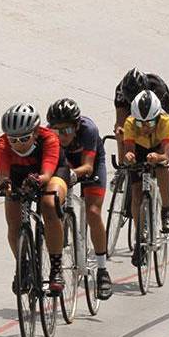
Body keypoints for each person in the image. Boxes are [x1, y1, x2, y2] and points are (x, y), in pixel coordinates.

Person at [0, 103, 71, 294]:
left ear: (36, 132)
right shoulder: (2, 144)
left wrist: (37, 181)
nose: (18, 143)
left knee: (48, 204)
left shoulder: (50, 139)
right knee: (13, 221)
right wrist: (6, 186)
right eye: (13, 139)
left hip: (52, 172)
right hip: (20, 174)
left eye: (25, 138)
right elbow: (3, 176)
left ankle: (56, 269)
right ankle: (23, 265)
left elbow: (45, 174)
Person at [46, 98, 112, 300]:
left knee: (93, 212)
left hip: (89, 163)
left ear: (76, 126)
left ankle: (102, 271)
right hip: (66, 164)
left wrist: (73, 176)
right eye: (56, 131)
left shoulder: (88, 129)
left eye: (66, 131)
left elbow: (88, 166)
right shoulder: (50, 135)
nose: (61, 136)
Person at [121, 90, 169, 262]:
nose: (144, 127)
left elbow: (165, 156)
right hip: (140, 147)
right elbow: (129, 151)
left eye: (149, 122)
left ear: (157, 118)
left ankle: (166, 210)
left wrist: (159, 157)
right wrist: (129, 156)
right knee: (136, 194)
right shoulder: (130, 123)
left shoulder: (165, 121)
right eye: (140, 123)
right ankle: (140, 237)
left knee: (161, 168)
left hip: (160, 145)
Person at [113, 67, 169, 139]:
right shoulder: (121, 91)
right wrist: (121, 130)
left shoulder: (160, 90)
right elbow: (120, 118)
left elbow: (163, 120)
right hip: (128, 106)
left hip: (152, 106)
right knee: (122, 133)